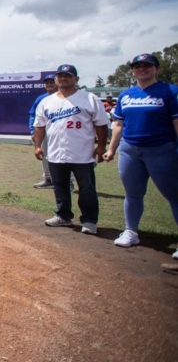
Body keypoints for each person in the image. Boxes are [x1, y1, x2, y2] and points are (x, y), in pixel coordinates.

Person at [103, 54, 178, 258]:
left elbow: (176, 122)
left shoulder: (170, 91)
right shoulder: (126, 95)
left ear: (157, 69)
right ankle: (131, 231)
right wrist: (111, 149)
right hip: (130, 150)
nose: (142, 69)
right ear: (132, 70)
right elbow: (118, 124)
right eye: (137, 66)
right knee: (133, 193)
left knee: (174, 195)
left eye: (147, 65)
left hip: (161, 149)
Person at [33, 64, 108, 234]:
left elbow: (102, 125)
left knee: (86, 188)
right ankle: (63, 216)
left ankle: (89, 220)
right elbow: (39, 126)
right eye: (60, 76)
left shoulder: (89, 99)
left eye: (67, 75)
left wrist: (101, 146)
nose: (63, 78)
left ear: (76, 79)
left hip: (82, 153)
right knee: (60, 186)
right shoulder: (46, 101)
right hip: (55, 152)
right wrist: (38, 146)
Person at [29, 75, 58, 188]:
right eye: (47, 82)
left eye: (52, 81)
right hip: (44, 131)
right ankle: (48, 179)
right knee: (44, 155)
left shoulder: (65, 97)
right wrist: (33, 131)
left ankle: (68, 181)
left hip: (59, 132)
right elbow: (32, 115)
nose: (49, 84)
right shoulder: (41, 98)